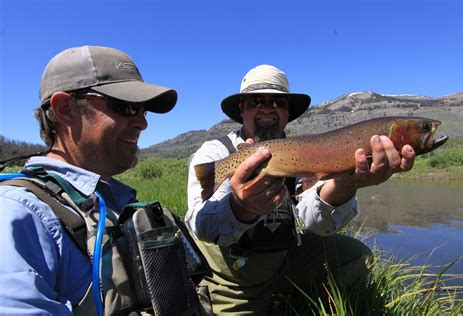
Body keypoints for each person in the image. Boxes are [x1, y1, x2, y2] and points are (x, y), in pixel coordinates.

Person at [186, 64, 416, 314]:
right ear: (241, 109)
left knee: (356, 255)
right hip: (235, 282)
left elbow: (317, 223)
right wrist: (240, 208)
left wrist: (347, 182)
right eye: (256, 100)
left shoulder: (299, 151)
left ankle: (304, 303)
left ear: (287, 112)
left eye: (278, 102)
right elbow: (201, 226)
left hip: (284, 261)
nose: (267, 107)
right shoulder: (216, 153)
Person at [0, 46, 179, 314]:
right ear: (65, 109)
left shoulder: (112, 199)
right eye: (127, 106)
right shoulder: (18, 215)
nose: (143, 123)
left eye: (143, 109)